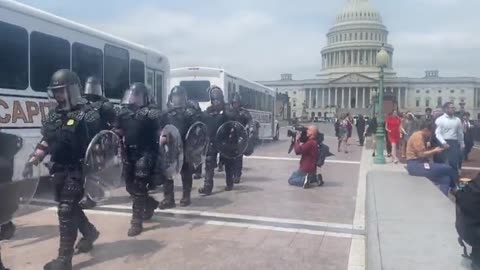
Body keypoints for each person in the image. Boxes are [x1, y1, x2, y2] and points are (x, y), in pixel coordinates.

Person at [22, 70, 101, 270]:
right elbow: (47, 140)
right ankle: (90, 232)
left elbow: (101, 142)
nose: (58, 95)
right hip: (59, 167)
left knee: (66, 209)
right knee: (71, 207)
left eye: (61, 91)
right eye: (55, 91)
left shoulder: (88, 114)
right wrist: (35, 158)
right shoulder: (54, 116)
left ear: (72, 90)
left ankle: (64, 259)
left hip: (78, 168)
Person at [113, 83, 161, 237]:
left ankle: (136, 221)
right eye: (132, 94)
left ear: (144, 97)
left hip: (146, 152)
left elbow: (161, 131)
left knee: (139, 187)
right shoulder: (124, 113)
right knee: (130, 187)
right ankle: (151, 203)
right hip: (129, 153)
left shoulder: (152, 113)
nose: (134, 97)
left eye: (137, 95)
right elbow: (119, 130)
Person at [158, 86, 203, 208]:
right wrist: (162, 137)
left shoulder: (191, 113)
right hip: (171, 147)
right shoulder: (166, 114)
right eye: (175, 96)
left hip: (186, 147)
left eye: (180, 96)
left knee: (186, 173)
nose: (177, 99)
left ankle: (186, 196)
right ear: (171, 98)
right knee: (167, 173)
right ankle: (169, 199)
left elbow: (198, 129)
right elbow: (160, 129)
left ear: (184, 97)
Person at [79, 76, 116, 210]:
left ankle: (92, 197)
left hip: (97, 142)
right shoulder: (81, 102)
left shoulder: (105, 105)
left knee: (94, 171)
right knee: (84, 170)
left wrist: (107, 139)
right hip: (83, 142)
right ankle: (87, 195)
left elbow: (113, 124)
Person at [405, 121, 458, 196]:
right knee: (448, 168)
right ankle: (454, 188)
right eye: (431, 132)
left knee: (445, 178)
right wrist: (434, 151)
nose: (431, 134)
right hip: (415, 166)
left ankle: (443, 198)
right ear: (426, 130)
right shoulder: (418, 136)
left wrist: (434, 150)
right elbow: (421, 154)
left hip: (419, 165)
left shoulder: (421, 137)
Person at [198, 86, 229, 195]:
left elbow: (235, 124)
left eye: (218, 100)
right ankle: (207, 187)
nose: (216, 102)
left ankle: (229, 182)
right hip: (212, 141)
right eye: (214, 100)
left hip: (225, 141)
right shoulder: (207, 113)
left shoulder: (227, 112)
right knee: (209, 163)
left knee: (227, 162)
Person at [225, 92, 253, 184]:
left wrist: (250, 128)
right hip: (229, 138)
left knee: (238, 157)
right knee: (229, 158)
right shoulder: (227, 112)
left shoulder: (244, 112)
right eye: (234, 103)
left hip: (240, 137)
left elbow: (250, 121)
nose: (235, 104)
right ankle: (231, 175)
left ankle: (237, 175)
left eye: (237, 102)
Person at [435, 102, 464, 171]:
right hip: (443, 141)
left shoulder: (457, 120)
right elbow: (437, 133)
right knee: (441, 161)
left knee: (454, 162)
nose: (453, 109)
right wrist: (443, 142)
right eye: (452, 108)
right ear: (446, 109)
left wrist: (462, 143)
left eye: (454, 108)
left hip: (454, 142)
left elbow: (460, 133)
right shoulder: (440, 119)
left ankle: (454, 178)